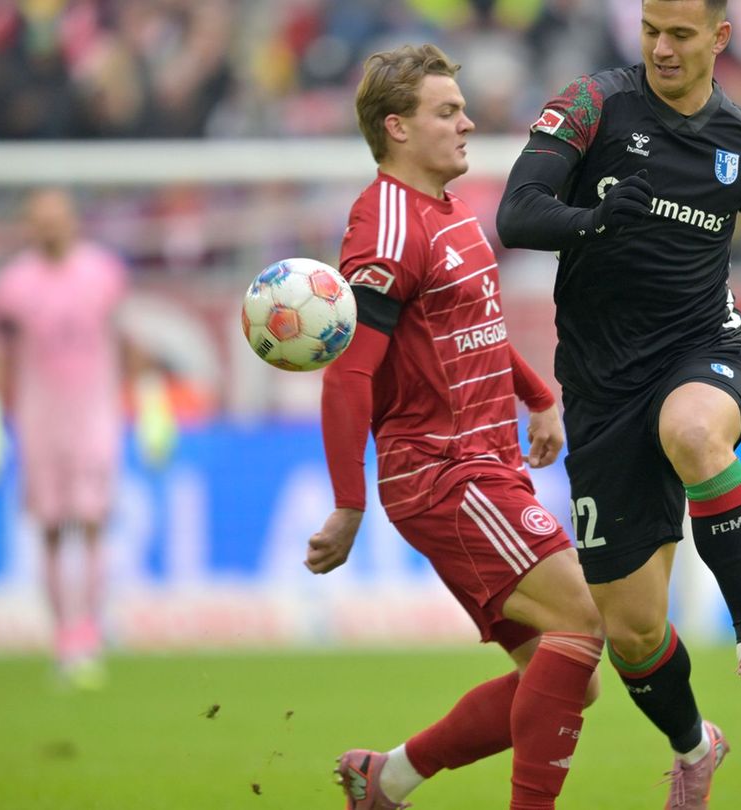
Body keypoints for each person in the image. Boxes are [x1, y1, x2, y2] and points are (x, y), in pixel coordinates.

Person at [496, 0, 741, 805]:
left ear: (720, 36)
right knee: (634, 634)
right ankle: (694, 746)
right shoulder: (592, 105)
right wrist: (595, 219)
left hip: (703, 350)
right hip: (601, 386)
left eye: (680, 34)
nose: (662, 48)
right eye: (650, 32)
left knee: (694, 431)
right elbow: (518, 212)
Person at [303, 44, 604, 810]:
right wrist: (347, 503)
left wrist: (536, 394)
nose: (468, 122)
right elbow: (348, 371)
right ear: (398, 128)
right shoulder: (385, 232)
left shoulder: (445, 210)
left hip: (487, 461)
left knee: (569, 674)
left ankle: (388, 778)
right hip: (443, 473)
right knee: (583, 624)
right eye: (447, 112)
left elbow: (470, 328)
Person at [0, 188, 177, 689]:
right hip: (38, 417)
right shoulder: (12, 284)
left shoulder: (102, 272)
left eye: (57, 219)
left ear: (73, 222)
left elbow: (125, 339)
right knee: (48, 527)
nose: (49, 228)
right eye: (40, 220)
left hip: (94, 415)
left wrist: (149, 399)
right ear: (28, 226)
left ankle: (87, 633)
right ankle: (63, 633)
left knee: (91, 521)